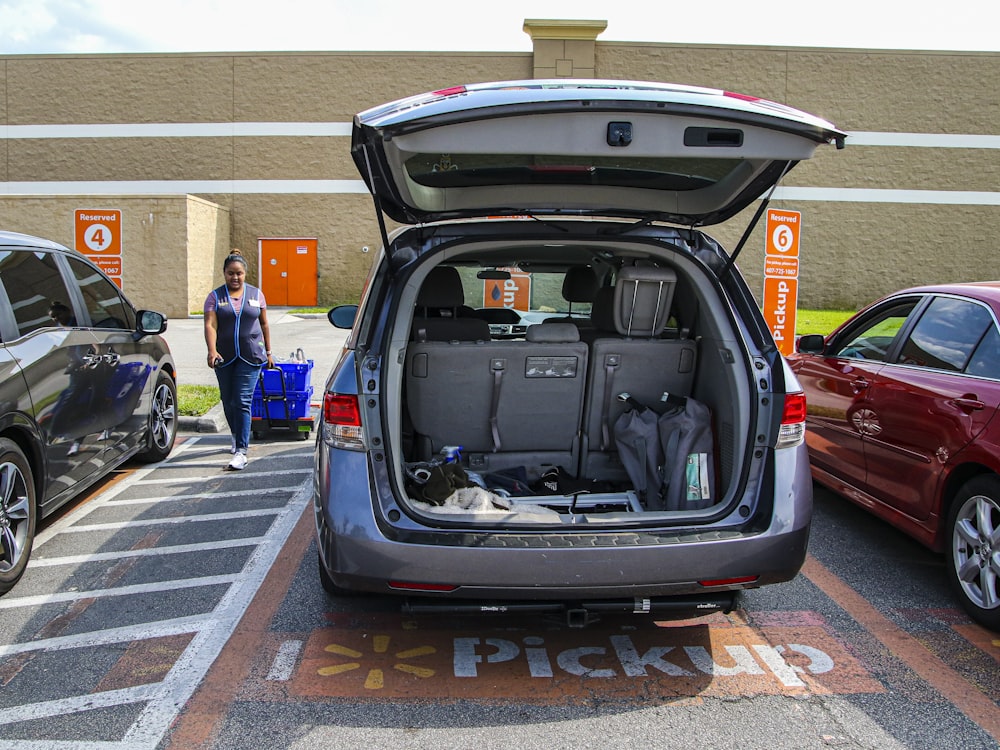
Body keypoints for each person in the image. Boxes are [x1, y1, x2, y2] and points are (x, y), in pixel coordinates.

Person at [203, 250, 274, 470]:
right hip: (224, 356)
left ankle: (242, 451)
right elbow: (210, 325)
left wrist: (269, 352)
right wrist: (212, 351)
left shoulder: (256, 294)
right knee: (229, 399)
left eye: (239, 273)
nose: (235, 278)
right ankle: (235, 435)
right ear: (224, 273)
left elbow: (264, 324)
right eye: (231, 273)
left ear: (245, 274)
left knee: (243, 400)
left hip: (250, 355)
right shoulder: (215, 297)